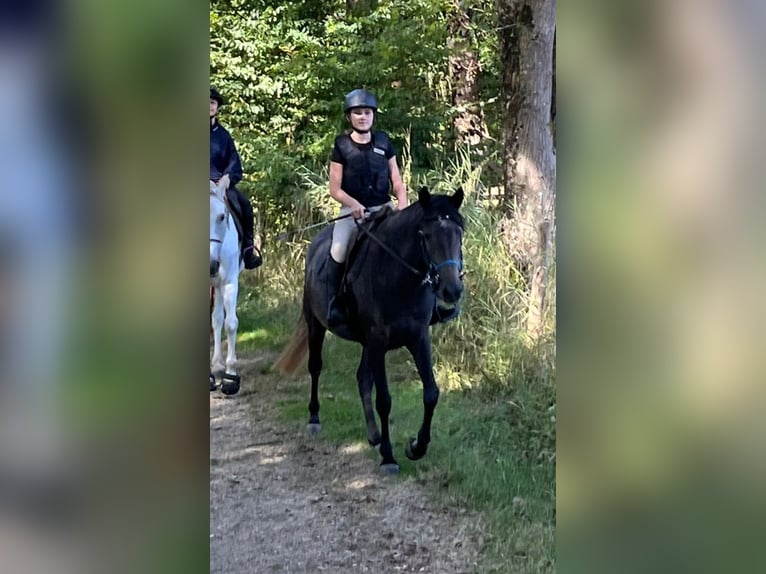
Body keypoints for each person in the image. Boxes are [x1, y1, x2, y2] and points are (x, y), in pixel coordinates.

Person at [325, 88, 408, 327]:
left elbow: (397, 181)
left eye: (367, 112)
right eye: (358, 113)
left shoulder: (383, 141)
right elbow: (335, 189)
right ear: (350, 116)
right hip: (353, 212)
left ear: (374, 116)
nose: (363, 117)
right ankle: (335, 303)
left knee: (413, 243)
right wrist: (353, 204)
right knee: (339, 249)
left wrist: (402, 205)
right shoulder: (341, 145)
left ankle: (424, 301)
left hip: (383, 208)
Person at [210, 87, 260, 269]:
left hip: (220, 187)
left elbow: (235, 164)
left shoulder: (224, 136)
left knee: (245, 205)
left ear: (217, 107)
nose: (209, 106)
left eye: (212, 103)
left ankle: (248, 252)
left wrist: (227, 178)